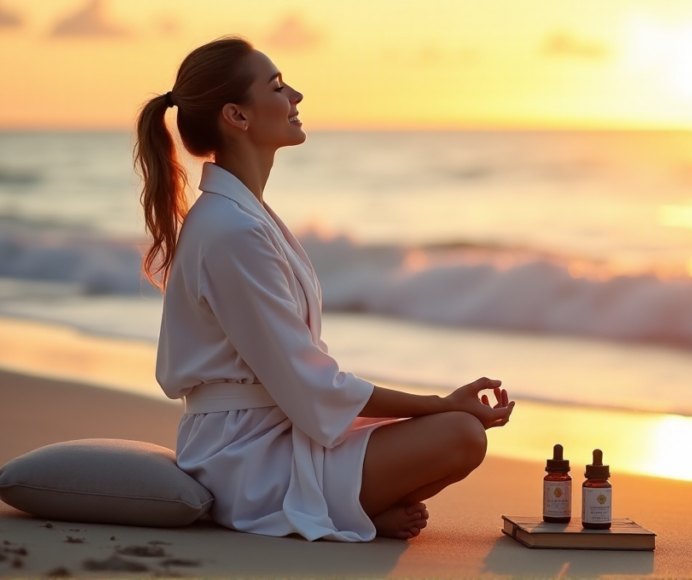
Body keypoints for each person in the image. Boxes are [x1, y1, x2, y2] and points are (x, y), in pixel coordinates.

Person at [134, 36, 516, 542]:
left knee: (457, 436)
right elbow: (312, 385)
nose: (296, 96)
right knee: (460, 433)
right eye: (277, 86)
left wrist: (437, 408)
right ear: (237, 116)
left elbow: (306, 387)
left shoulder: (243, 216)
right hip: (244, 458)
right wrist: (442, 404)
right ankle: (343, 510)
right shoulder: (231, 230)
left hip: (280, 430)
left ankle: (355, 510)